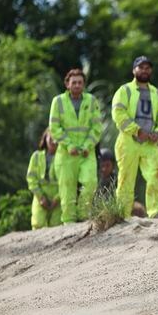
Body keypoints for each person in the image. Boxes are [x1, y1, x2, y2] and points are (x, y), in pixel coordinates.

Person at [111, 56, 158, 219]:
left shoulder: (157, 94)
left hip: (150, 143)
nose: (144, 70)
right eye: (141, 67)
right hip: (128, 141)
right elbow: (118, 114)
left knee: (155, 175)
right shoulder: (124, 90)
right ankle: (122, 214)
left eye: (147, 67)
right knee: (126, 179)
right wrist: (136, 131)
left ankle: (157, 212)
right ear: (134, 70)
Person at [49, 68, 102, 223]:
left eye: (80, 82)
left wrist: (87, 145)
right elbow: (54, 128)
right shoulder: (58, 102)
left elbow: (97, 127)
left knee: (90, 183)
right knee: (67, 189)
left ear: (84, 84)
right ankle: (69, 222)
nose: (77, 85)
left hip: (87, 152)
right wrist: (68, 145)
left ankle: (83, 216)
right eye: (74, 82)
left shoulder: (91, 101)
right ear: (67, 84)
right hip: (66, 154)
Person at [26, 128, 61, 229]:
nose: (53, 141)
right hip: (41, 196)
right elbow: (31, 179)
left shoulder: (63, 158)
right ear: (46, 137)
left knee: (57, 226)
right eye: (51, 137)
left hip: (57, 197)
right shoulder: (36, 156)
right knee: (38, 224)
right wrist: (41, 197)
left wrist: (57, 198)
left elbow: (66, 181)